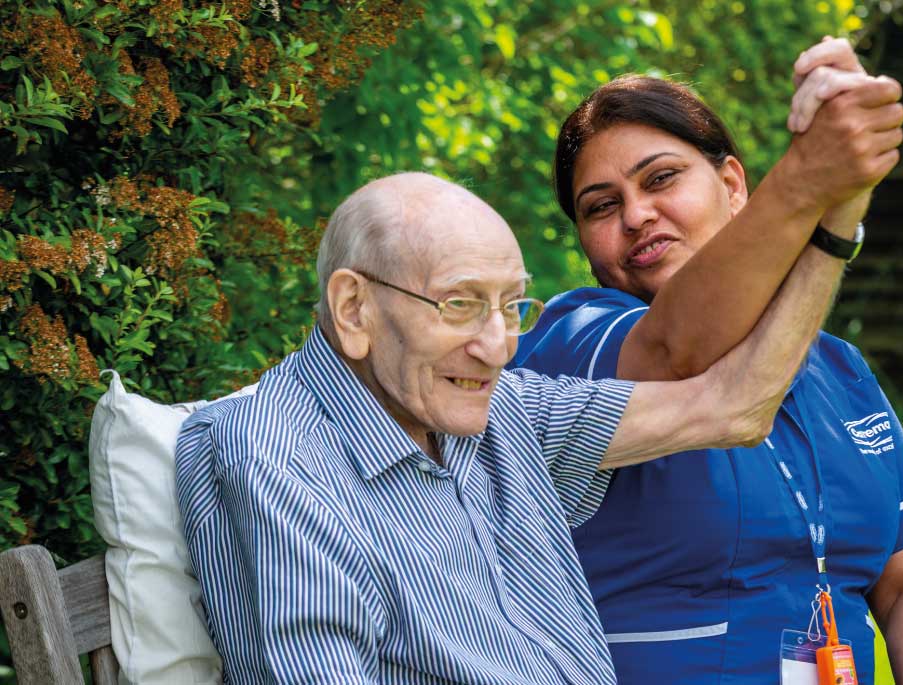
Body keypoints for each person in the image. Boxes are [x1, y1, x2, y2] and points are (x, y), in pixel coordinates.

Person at [174, 171, 851, 684]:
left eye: (511, 306)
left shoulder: (499, 412)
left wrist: (838, 216)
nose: (498, 346)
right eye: (461, 304)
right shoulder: (277, 454)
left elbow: (733, 405)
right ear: (354, 308)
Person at [512, 39, 903, 684]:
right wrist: (814, 182)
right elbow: (679, 350)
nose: (638, 214)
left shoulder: (839, 369)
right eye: (602, 206)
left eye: (661, 178)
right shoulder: (575, 342)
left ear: (731, 185)